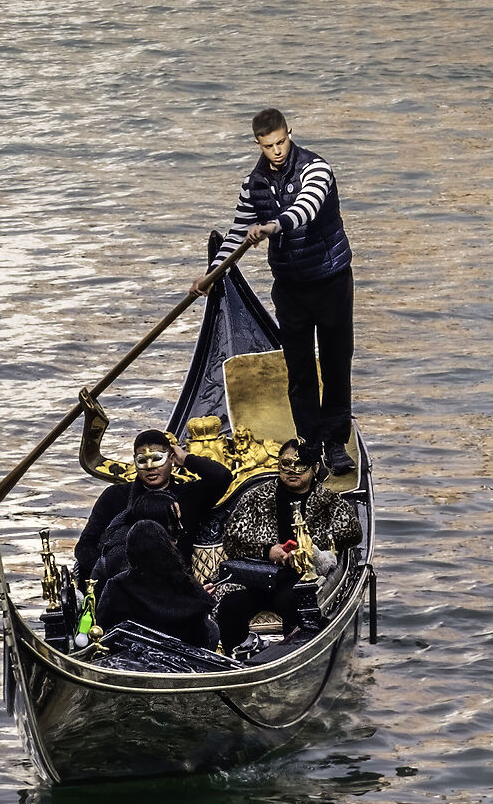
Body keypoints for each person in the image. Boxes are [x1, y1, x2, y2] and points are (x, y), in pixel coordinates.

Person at [193, 108, 357, 476]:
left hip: (331, 280)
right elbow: (237, 232)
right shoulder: (253, 184)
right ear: (259, 144)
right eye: (269, 146)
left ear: (289, 133)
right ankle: (310, 444)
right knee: (299, 370)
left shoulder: (317, 169)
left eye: (281, 142)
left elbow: (305, 209)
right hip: (290, 287)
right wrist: (211, 274)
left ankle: (335, 443)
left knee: (335, 364)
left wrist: (271, 227)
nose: (277, 151)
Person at [214, 437, 362, 648]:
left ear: (315, 467)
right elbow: (232, 539)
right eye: (286, 464)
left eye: (300, 464)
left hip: (303, 581)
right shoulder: (257, 497)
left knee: (294, 601)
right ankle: (235, 655)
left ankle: (290, 653)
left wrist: (307, 550)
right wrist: (267, 551)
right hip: (260, 578)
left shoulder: (329, 501)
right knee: (231, 605)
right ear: (278, 465)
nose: (292, 470)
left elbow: (352, 533)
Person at [72, 401, 235, 583]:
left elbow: (222, 477)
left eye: (157, 459)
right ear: (135, 461)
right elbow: (85, 546)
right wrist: (109, 573)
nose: (150, 467)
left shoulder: (188, 495)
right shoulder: (115, 497)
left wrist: (186, 458)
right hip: (123, 583)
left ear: (171, 459)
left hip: (176, 584)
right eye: (143, 461)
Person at [96, 519, 221, 651]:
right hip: (180, 655)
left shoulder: (117, 586)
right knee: (212, 628)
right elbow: (200, 634)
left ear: (130, 553)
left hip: (129, 654)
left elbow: (102, 625)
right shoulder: (184, 584)